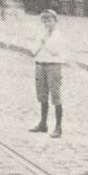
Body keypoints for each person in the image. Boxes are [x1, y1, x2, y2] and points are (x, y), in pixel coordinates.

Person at [30, 9, 65, 138]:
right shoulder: (41, 34)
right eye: (44, 21)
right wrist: (41, 41)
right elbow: (33, 50)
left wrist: (45, 41)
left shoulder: (58, 35)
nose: (47, 23)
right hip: (40, 64)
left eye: (50, 20)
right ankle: (43, 123)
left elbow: (55, 50)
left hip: (53, 65)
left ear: (55, 21)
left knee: (55, 95)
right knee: (42, 94)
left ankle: (58, 127)